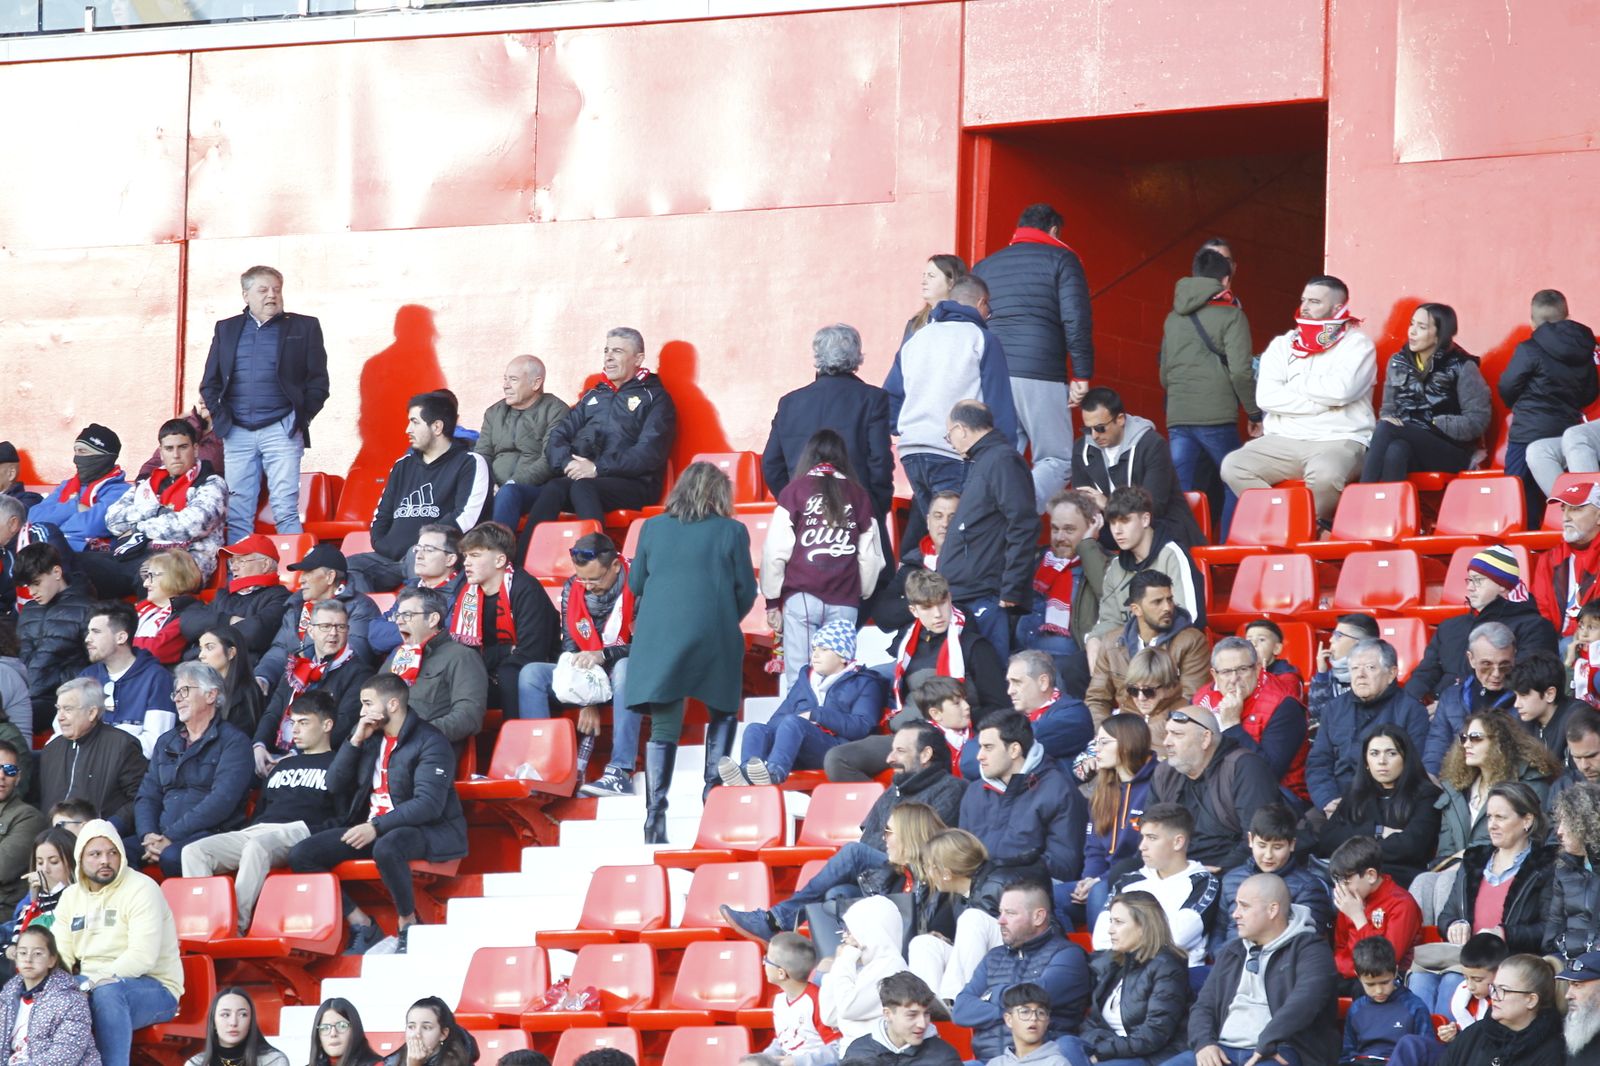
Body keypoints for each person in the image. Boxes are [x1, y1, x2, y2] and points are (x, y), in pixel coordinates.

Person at [721, 722, 966, 944]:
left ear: (925, 754)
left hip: (917, 879)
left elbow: (923, 846)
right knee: (836, 896)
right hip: (883, 876)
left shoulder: (952, 789)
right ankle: (839, 968)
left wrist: (870, 862)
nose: (890, 758)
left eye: (900, 751)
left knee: (853, 853)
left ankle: (776, 920)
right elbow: (870, 838)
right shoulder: (895, 790)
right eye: (892, 750)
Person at [287, 674, 469, 955]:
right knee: (302, 855)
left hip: (427, 829)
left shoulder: (431, 741)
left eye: (368, 704)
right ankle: (361, 923)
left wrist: (376, 825)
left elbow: (428, 804)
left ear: (393, 704)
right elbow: (334, 783)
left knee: (387, 846)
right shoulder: (370, 739)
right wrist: (356, 739)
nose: (362, 712)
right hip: (375, 827)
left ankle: (408, 923)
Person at [624, 462, 756, 839]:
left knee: (664, 724)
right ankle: (712, 793)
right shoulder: (732, 530)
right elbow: (745, 590)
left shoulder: (651, 527)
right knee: (724, 707)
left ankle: (655, 814)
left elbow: (636, 582)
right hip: (711, 630)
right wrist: (723, 616)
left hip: (656, 633)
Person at [1220, 274, 1377, 523]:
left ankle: (1308, 527)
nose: (1305, 307)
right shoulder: (1283, 345)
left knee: (1326, 475)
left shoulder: (1357, 344)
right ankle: (1292, 524)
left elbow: (1342, 391)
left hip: (1338, 439)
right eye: (1304, 300)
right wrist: (1325, 403)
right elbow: (1266, 397)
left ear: (1338, 308)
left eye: (1314, 301)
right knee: (1233, 465)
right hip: (1284, 441)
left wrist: (1296, 384)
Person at [181, 692, 340, 934]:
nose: (294, 730)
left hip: (300, 830)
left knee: (256, 847)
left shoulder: (338, 764)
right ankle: (206, 925)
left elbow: (344, 814)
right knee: (194, 852)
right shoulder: (283, 765)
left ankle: (233, 926)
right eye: (292, 722)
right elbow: (263, 809)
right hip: (258, 830)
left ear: (327, 725)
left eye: (304, 722)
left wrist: (317, 834)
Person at [971, 202, 1095, 503]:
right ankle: (1018, 509)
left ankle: (994, 516)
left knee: (999, 458)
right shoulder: (1063, 259)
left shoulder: (985, 266)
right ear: (1053, 231)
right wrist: (1081, 373)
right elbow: (1075, 318)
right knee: (1057, 459)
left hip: (993, 375)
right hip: (1040, 371)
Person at [884, 275, 1019, 549]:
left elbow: (890, 402)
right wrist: (1006, 458)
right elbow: (998, 404)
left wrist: (911, 427)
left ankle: (911, 583)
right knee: (958, 540)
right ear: (981, 303)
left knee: (931, 532)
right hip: (953, 451)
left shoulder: (916, 338)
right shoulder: (982, 339)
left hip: (912, 451)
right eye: (988, 310)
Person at [199, 265, 329, 540]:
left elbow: (319, 383)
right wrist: (224, 421)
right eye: (263, 290)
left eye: (276, 290)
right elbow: (209, 383)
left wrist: (299, 419)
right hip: (237, 432)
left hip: (282, 429)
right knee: (238, 513)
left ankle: (294, 577)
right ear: (246, 295)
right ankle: (240, 581)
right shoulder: (227, 328)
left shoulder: (304, 326)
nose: (272, 295)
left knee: (286, 509)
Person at [1173, 873, 1339, 1066]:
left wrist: (1268, 1041)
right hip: (1221, 1050)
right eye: (1236, 905)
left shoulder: (1311, 949)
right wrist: (1204, 1044)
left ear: (1272, 910)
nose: (1235, 914)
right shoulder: (1231, 951)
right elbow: (1204, 1006)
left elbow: (1306, 1001)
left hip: (1280, 1050)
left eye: (1244, 906)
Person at [519, 533, 640, 796]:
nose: (586, 586)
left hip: (634, 673)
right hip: (591, 674)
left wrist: (604, 655)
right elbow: (571, 648)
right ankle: (544, 767)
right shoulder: (572, 587)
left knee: (625, 667)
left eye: (594, 579)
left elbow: (649, 646)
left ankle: (620, 771)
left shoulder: (640, 582)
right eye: (582, 578)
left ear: (615, 566)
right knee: (531, 674)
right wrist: (588, 699)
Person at [52, 821, 182, 1066]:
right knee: (45, 992)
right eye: (96, 854)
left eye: (112, 852)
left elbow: (142, 958)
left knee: (107, 992)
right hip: (91, 983)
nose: (105, 860)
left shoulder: (142, 888)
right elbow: (60, 953)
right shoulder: (71, 897)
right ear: (80, 858)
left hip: (154, 987)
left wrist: (90, 982)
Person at [523, 328, 676, 536]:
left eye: (618, 351)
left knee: (583, 487)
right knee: (554, 488)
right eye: (606, 350)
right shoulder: (594, 396)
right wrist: (568, 463)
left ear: (638, 359)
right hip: (591, 479)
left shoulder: (655, 398)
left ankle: (598, 560)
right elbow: (558, 437)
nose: (609, 357)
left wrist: (597, 468)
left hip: (637, 484)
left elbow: (649, 454)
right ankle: (521, 563)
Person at [761, 429, 884, 688]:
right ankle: (833, 726)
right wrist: (860, 591)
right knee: (839, 677)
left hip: (802, 597)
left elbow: (775, 551)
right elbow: (871, 557)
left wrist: (772, 601)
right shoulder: (859, 495)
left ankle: (800, 724)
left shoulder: (794, 491)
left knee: (800, 677)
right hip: (844, 599)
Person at [763, 324, 895, 561]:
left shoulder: (790, 402)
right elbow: (880, 462)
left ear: (818, 355)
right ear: (856, 356)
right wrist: (874, 506)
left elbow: (772, 465)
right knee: (864, 589)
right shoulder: (872, 399)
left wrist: (794, 501)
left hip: (805, 517)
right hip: (857, 514)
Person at [349, 390, 490, 593]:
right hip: (390, 558)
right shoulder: (402, 465)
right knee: (343, 570)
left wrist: (418, 546)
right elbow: (382, 515)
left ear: (437, 426)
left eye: (415, 422)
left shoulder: (470, 462)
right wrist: (382, 544)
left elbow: (465, 518)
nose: (408, 429)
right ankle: (370, 621)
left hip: (438, 555)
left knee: (420, 560)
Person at [1160, 247, 1258, 535]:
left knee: (1180, 491)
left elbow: (1164, 374)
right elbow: (1241, 371)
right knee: (1235, 479)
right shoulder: (1232, 316)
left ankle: (1179, 551)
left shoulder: (1172, 318)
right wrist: (1253, 411)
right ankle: (1227, 550)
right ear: (1225, 281)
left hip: (1178, 416)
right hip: (1216, 416)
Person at [720, 620, 882, 787]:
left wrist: (816, 715)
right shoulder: (806, 680)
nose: (815, 655)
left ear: (843, 656)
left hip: (837, 752)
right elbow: (776, 720)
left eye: (824, 650)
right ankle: (747, 775)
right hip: (796, 750)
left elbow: (862, 726)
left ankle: (774, 774)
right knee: (756, 729)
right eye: (814, 649)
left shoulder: (865, 682)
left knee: (793, 722)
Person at [79, 418, 228, 598]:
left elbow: (191, 525)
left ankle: (150, 623)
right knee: (78, 565)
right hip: (134, 553)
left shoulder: (211, 483)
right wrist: (155, 511)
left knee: (151, 570)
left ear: (195, 449)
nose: (176, 455)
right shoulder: (147, 484)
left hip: (184, 563)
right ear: (161, 452)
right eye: (169, 449)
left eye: (182, 447)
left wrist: (139, 526)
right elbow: (113, 520)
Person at [133, 662, 253, 876]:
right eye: (176, 693)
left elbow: (221, 801)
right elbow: (147, 796)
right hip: (161, 834)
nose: (178, 698)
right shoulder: (166, 741)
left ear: (211, 695)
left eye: (185, 691)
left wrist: (170, 837)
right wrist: (148, 836)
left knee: (173, 856)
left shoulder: (234, 742)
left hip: (210, 834)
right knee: (114, 853)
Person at [940, 400, 1037, 660]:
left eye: (948, 434)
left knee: (991, 678)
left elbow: (1023, 523)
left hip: (986, 597)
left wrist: (1012, 588)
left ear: (961, 429)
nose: (950, 441)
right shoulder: (986, 460)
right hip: (972, 593)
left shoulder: (1001, 460)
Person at [952, 879, 1089, 1061]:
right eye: (1000, 912)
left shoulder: (1068, 955)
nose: (1000, 921)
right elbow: (961, 1010)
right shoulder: (994, 957)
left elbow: (1032, 997)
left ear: (1038, 917)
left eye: (1010, 913)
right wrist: (1009, 1013)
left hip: (1042, 1060)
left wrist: (990, 996)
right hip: (990, 1061)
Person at [1406, 545, 1557, 703]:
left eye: (1478, 581)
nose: (1470, 588)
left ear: (1502, 585)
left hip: (1495, 717)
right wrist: (1409, 708)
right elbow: (1424, 674)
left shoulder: (1534, 627)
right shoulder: (1449, 627)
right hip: (1441, 715)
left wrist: (1451, 708)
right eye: (1469, 580)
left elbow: (1521, 682)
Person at [1359, 303, 1491, 483]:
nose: (1412, 332)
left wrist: (1436, 422)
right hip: (1410, 445)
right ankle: (1391, 510)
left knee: (1386, 428)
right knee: (1396, 450)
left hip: (1452, 451)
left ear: (1439, 335)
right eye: (1411, 324)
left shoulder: (1462, 366)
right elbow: (1388, 410)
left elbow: (1478, 421)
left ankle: (1363, 498)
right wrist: (1399, 424)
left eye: (1421, 327)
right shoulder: (1398, 362)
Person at [1061, 891, 1191, 1066]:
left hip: (1150, 1056)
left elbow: (1154, 1034)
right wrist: (1097, 1047)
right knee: (1064, 1044)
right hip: (1114, 1049)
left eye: (1119, 922)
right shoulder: (1117, 962)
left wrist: (1101, 1053)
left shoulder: (1167, 967)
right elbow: (1092, 1022)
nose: (1110, 930)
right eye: (1111, 921)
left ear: (1144, 926)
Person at [1148, 706, 1281, 873]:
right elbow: (1150, 829)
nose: (1167, 742)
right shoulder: (1164, 772)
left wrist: (1220, 869)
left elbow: (1257, 836)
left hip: (1228, 870)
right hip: (1174, 866)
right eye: (1167, 733)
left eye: (1177, 734)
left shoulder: (1244, 767)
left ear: (1205, 739)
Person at [959, 712, 1086, 884]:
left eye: (988, 747)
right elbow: (963, 853)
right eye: (980, 747)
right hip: (976, 891)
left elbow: (1063, 866)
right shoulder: (975, 791)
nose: (979, 756)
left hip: (1031, 893)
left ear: (1014, 750)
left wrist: (1001, 876)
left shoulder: (1059, 790)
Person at [448, 521, 558, 718]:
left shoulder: (526, 589)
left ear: (499, 561)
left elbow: (531, 653)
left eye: (475, 555)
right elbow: (465, 656)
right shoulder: (467, 593)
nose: (466, 563)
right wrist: (505, 651)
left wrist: (490, 658)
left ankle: (515, 741)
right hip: (488, 671)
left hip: (534, 674)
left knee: (509, 672)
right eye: (466, 556)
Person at [1434, 783, 1556, 960]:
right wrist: (1454, 925)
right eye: (1489, 817)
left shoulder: (1544, 865)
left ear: (1527, 821)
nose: (1492, 825)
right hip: (1467, 958)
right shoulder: (1473, 860)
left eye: (1500, 817)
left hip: (1512, 962)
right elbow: (1447, 915)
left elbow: (1549, 928)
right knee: (1421, 977)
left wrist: (1505, 934)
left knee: (1451, 981)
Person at [1087, 488, 1205, 669]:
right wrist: (1094, 639)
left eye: (1125, 521)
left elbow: (1190, 615)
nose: (1117, 531)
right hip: (1128, 648)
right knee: (1075, 665)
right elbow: (1108, 620)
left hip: (1169, 648)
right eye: (1112, 523)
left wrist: (1146, 641)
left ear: (1145, 520)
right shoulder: (1116, 567)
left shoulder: (1172, 554)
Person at [1307, 638, 1431, 811]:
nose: (1360, 675)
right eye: (1355, 668)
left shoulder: (1412, 711)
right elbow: (1319, 763)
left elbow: (1415, 770)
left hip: (1386, 806)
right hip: (1336, 801)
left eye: (1370, 668)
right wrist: (1328, 800)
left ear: (1391, 673)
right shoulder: (1333, 709)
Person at [1313, 725, 1443, 890]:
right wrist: (1376, 831)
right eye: (1374, 753)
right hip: (1351, 878)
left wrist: (1353, 843)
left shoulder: (1427, 795)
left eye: (1391, 753)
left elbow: (1412, 846)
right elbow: (1328, 839)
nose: (1382, 761)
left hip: (1400, 881)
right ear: (1366, 762)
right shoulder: (1356, 793)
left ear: (1405, 758)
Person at [1074, 388, 1204, 551]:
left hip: (1161, 530)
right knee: (1075, 534)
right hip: (1113, 531)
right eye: (1088, 429)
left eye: (1100, 428)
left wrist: (1108, 504)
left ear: (1120, 419)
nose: (1094, 435)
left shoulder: (1152, 444)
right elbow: (1081, 502)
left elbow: (1153, 507)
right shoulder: (1082, 448)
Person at [1093, 804, 1218, 970]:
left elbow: (1177, 938)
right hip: (1123, 973)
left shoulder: (1202, 882)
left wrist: (1126, 936)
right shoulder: (1128, 880)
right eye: (1142, 837)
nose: (1142, 846)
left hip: (1176, 977)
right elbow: (1101, 938)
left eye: (1152, 838)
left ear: (1178, 842)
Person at [1192, 637, 1310, 806]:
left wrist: (1232, 725)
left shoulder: (1284, 706)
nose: (1234, 679)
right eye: (1226, 672)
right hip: (1216, 792)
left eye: (1242, 669)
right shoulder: (1201, 699)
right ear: (1214, 675)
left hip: (1277, 801)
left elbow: (1266, 774)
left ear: (1257, 668)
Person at [1085, 571, 1210, 724]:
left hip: (1168, 734)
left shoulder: (1192, 641)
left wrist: (1143, 736)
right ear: (1136, 609)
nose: (1167, 607)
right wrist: (1105, 735)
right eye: (1157, 602)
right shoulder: (1111, 642)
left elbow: (1191, 702)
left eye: (1169, 600)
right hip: (1124, 732)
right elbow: (1096, 699)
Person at [1508, 290, 1600, 498]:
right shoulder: (1587, 347)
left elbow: (1508, 386)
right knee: (1538, 451)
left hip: (1556, 428)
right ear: (1566, 318)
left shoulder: (1529, 349)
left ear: (1532, 321)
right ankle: (1570, 515)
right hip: (1573, 425)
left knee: (1576, 436)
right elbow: (1590, 393)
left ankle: (1590, 511)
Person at [1434, 713, 1559, 862]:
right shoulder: (1455, 787)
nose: (1466, 744)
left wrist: (1467, 860)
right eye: (1463, 738)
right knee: (1425, 880)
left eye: (1476, 737)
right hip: (1454, 871)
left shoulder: (1529, 785)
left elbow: (1533, 840)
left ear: (1499, 743)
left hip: (1504, 870)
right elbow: (1446, 847)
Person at [1016, 489, 1106, 695]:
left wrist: (1088, 546)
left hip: (1068, 664)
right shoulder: (1038, 560)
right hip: (1025, 655)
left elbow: (1107, 593)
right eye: (1055, 529)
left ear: (1092, 527)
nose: (1059, 537)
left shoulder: (1102, 564)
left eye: (1069, 530)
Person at [254, 599, 364, 766]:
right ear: (311, 631)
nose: (334, 633)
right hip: (278, 752)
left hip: (318, 760)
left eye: (340, 627)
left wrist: (296, 755)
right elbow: (274, 711)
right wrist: (259, 745)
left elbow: (344, 723)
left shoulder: (358, 672)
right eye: (325, 626)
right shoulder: (297, 665)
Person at [1071, 714, 1157, 925]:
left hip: (1138, 879)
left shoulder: (1157, 784)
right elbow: (1094, 849)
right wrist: (1087, 880)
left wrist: (1098, 881)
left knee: (1099, 891)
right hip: (1100, 880)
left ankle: (1102, 957)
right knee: (1049, 897)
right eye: (1095, 742)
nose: (1096, 749)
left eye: (1104, 742)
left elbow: (1144, 852)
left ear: (1128, 743)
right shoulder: (1103, 790)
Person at [1214, 804, 1334, 953]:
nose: (1268, 855)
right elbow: (1218, 929)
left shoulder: (1309, 888)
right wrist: (1222, 958)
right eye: (1262, 845)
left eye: (1277, 847)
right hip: (1230, 962)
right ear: (1250, 840)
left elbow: (1306, 942)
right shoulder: (1231, 880)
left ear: (1292, 844)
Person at [377, 587, 489, 746]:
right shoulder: (397, 654)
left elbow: (469, 717)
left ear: (432, 619)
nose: (399, 621)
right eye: (398, 615)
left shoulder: (462, 656)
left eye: (407, 615)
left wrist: (414, 734)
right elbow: (372, 701)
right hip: (381, 747)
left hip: (426, 752)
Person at [908, 829, 1006, 1002]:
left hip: (1011, 963)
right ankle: (932, 1009)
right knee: (923, 943)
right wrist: (956, 944)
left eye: (929, 867)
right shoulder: (959, 896)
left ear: (946, 873)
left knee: (972, 919)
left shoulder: (998, 883)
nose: (927, 874)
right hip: (985, 966)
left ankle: (959, 1001)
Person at [476, 355, 571, 531]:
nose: (505, 385)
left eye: (513, 380)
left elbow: (550, 460)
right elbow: (481, 456)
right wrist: (489, 485)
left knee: (509, 493)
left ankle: (499, 553)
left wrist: (511, 484)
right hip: (494, 487)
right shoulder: (493, 412)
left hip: (535, 490)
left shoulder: (556, 410)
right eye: (505, 379)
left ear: (536, 383)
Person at [39, 679, 146, 832]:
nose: (60, 717)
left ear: (92, 713)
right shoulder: (51, 750)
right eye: (58, 709)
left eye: (67, 709)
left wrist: (110, 827)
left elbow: (141, 798)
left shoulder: (122, 745)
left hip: (100, 842)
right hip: (54, 843)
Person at [1387, 934, 1505, 1066]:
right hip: (1457, 1054)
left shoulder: (1507, 1005)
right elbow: (1466, 1032)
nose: (1470, 986)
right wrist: (1455, 1033)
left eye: (1478, 980)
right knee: (1410, 1044)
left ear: (1500, 973)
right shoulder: (1466, 997)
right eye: (1466, 978)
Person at [79, 600, 176, 758]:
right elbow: (65, 730)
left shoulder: (157, 678)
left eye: (96, 632)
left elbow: (155, 744)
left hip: (133, 776)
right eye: (88, 632)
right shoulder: (86, 677)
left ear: (121, 637)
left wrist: (100, 747)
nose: (87, 639)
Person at [1423, 623, 1518, 777]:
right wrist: (1431, 780)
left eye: (1504, 665)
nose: (1496, 673)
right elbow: (1436, 748)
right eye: (1486, 665)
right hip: (1456, 784)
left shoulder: (1524, 701)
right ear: (1471, 659)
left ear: (1514, 657)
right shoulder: (1451, 698)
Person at [1328, 836, 1422, 987]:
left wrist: (1358, 917)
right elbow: (1340, 948)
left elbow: (1386, 963)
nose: (1341, 889)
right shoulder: (1350, 900)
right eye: (1338, 882)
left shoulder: (1401, 904)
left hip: (1383, 982)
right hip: (1347, 974)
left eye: (1346, 882)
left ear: (1370, 875)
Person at [1436, 954, 1562, 1066]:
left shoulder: (1552, 1052)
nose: (1494, 997)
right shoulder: (1474, 1033)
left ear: (1531, 1000)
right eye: (1494, 988)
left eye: (1504, 990)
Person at [16, 544, 93, 728]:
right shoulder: (28, 610)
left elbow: (93, 665)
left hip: (59, 699)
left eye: (36, 583)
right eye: (27, 586)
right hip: (23, 694)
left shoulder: (88, 609)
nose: (31, 592)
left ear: (57, 572)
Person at [178, 534, 291, 659]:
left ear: (265, 565)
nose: (233, 568)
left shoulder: (281, 597)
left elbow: (255, 633)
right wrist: (229, 620)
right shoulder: (224, 594)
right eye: (232, 561)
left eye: (241, 561)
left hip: (238, 669)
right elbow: (188, 623)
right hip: (199, 663)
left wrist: (210, 629)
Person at [0, 926, 99, 1066]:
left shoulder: (71, 1001)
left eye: (38, 953)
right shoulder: (6, 998)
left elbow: (64, 1056)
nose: (28, 959)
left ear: (52, 960)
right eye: (22, 953)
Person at [820, 895, 911, 1046]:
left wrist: (845, 960)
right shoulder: (861, 968)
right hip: (852, 1054)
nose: (844, 937)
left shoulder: (892, 967)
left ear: (869, 931)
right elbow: (830, 1016)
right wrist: (838, 965)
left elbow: (847, 1008)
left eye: (850, 931)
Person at [29, 423, 130, 552]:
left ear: (103, 456)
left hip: (90, 561)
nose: (76, 458)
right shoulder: (67, 485)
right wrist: (75, 507)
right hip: (51, 557)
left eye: (83, 451)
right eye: (76, 451)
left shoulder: (120, 491)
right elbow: (34, 517)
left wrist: (54, 524)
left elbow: (88, 527)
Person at [367, 525, 464, 658]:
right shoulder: (411, 589)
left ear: (450, 559)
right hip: (398, 668)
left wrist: (403, 627)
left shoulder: (464, 592)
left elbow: (448, 636)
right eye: (417, 549)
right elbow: (376, 635)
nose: (419, 555)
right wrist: (421, 628)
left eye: (429, 550)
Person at [1339, 937, 1432, 1066]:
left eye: (1384, 982)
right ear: (1358, 976)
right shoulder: (1356, 1009)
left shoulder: (1414, 1007)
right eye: (1370, 985)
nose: (1378, 991)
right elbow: (1347, 1054)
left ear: (1395, 971)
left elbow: (1425, 1051)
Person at [840, 970, 961, 1065]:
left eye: (926, 1013)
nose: (922, 1023)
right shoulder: (858, 1053)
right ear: (888, 1014)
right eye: (912, 1015)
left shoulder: (944, 1057)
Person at [752, 932, 833, 1066]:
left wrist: (798, 1062)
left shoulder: (817, 1001)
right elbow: (784, 1040)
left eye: (767, 959)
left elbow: (837, 1048)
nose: (764, 962)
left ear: (781, 973)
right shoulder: (779, 1000)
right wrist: (766, 1058)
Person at [1531, 478, 1600, 637]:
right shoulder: (1549, 558)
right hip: (1555, 645)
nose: (1566, 517)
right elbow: (1540, 610)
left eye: (1576, 509)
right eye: (1564, 509)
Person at [129, 549, 201, 666]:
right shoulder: (145, 606)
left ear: (175, 577)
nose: (145, 583)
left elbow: (156, 650)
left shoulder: (188, 612)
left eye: (151, 576)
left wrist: (119, 641)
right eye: (146, 576)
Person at [186, 987, 290, 1066]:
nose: (233, 1022)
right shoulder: (196, 1063)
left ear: (251, 1021)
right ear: (213, 1022)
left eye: (242, 1015)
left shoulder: (273, 1061)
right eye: (225, 1014)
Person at [1309, 615, 1380, 726]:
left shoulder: (1376, 677)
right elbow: (1317, 713)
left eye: (1338, 636)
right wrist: (1322, 674)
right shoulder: (1330, 674)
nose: (1331, 640)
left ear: (1358, 643)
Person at [1510, 651, 1581, 763]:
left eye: (1523, 695)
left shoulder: (1577, 720)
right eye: (1516, 695)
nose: (1516, 704)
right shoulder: (1523, 721)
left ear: (1549, 694)